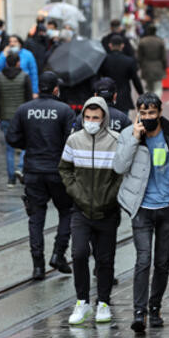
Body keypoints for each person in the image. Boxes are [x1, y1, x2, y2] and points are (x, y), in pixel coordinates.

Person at [113, 93, 169, 332]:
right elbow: (118, 167)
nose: (147, 117)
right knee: (143, 260)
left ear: (159, 112)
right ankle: (139, 313)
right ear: (138, 113)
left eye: (151, 113)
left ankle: (155, 307)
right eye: (143, 113)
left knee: (162, 263)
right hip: (142, 209)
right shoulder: (129, 135)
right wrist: (134, 139)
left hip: (167, 208)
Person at [59, 97, 123, 325]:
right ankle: (82, 301)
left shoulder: (117, 141)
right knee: (78, 254)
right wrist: (75, 191)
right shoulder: (74, 140)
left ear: (104, 118)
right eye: (87, 117)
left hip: (108, 211)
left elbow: (122, 173)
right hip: (81, 210)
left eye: (95, 118)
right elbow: (65, 168)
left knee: (105, 260)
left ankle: (103, 303)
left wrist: (111, 196)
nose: (91, 122)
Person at [7, 71, 76, 279]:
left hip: (33, 170)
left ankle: (38, 265)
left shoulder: (24, 109)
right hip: (58, 171)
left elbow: (11, 137)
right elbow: (72, 141)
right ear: (56, 88)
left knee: (36, 218)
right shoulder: (64, 110)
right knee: (68, 211)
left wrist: (28, 145)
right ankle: (58, 253)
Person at [0, 53, 32, 186]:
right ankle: (20, 167)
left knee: (9, 148)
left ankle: (11, 179)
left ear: (7, 63)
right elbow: (29, 98)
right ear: (18, 63)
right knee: (26, 144)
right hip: (22, 116)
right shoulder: (25, 76)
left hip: (5, 116)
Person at [99, 34, 144, 114]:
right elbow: (135, 80)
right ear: (122, 46)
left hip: (107, 95)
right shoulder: (129, 61)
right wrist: (141, 93)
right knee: (124, 122)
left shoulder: (104, 60)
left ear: (110, 45)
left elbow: (99, 77)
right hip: (124, 97)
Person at [137, 24, 167, 97]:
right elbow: (163, 57)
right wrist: (164, 67)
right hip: (158, 66)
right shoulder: (160, 41)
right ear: (155, 31)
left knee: (148, 87)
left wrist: (141, 66)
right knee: (158, 87)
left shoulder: (142, 41)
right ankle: (156, 103)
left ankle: (149, 103)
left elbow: (139, 57)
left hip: (146, 67)